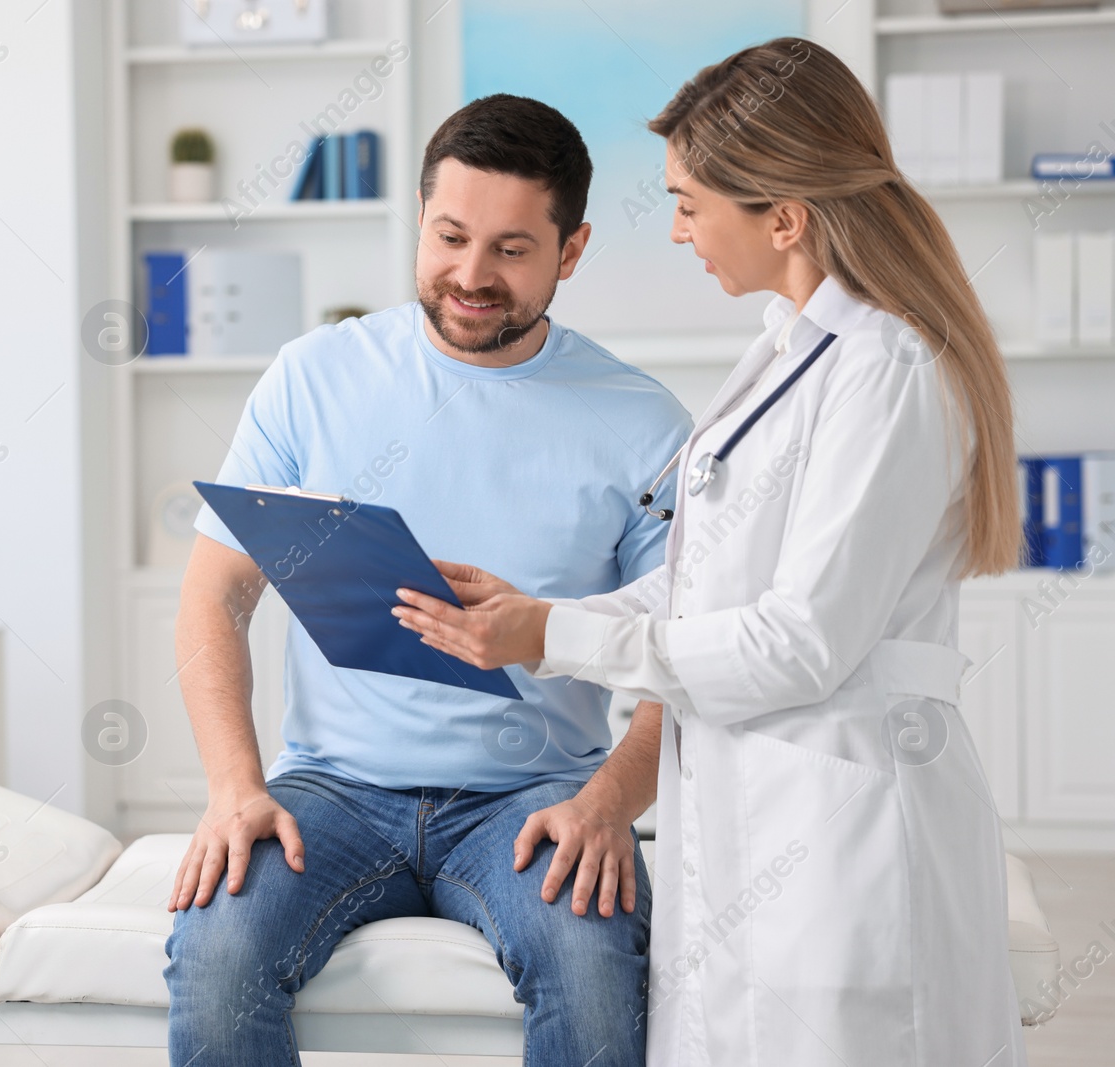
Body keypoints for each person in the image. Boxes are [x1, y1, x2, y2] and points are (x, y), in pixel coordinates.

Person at [393, 39, 1025, 1066]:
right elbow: (707, 578)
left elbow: (800, 643)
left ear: (784, 215)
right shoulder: (789, 345)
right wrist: (536, 613)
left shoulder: (886, 369)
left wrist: (551, 631)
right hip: (746, 803)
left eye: (691, 201)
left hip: (842, 813)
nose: (678, 227)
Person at [164, 94, 692, 1066]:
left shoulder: (642, 421)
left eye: (511, 249)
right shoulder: (311, 376)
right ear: (419, 219)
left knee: (589, 961)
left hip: (532, 795)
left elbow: (683, 653)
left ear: (570, 251)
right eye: (450, 236)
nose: (470, 275)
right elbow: (216, 592)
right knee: (218, 948)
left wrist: (611, 799)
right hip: (332, 786)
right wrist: (234, 785)